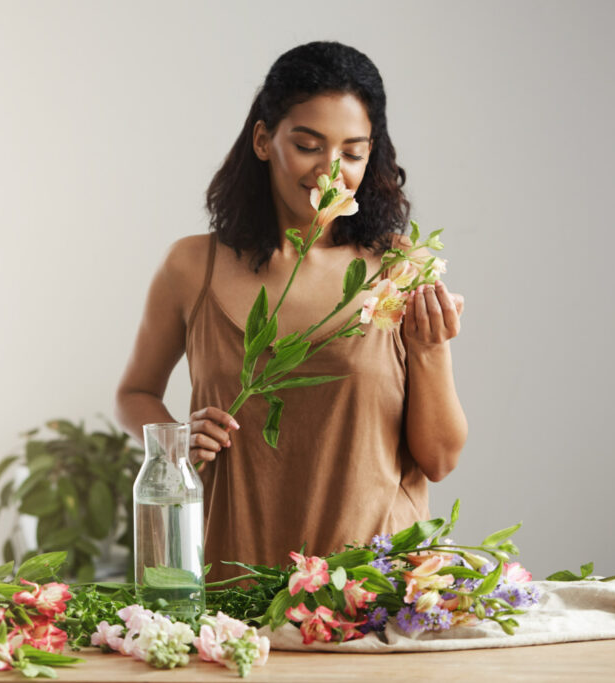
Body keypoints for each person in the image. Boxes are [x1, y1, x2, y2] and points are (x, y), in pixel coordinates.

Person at [115, 41, 467, 582]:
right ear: (263, 139)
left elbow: (440, 460)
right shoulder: (192, 267)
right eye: (308, 145)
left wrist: (429, 349)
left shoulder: (401, 267)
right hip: (231, 580)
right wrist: (175, 442)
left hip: (373, 591)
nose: (331, 171)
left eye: (353, 153)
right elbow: (134, 392)